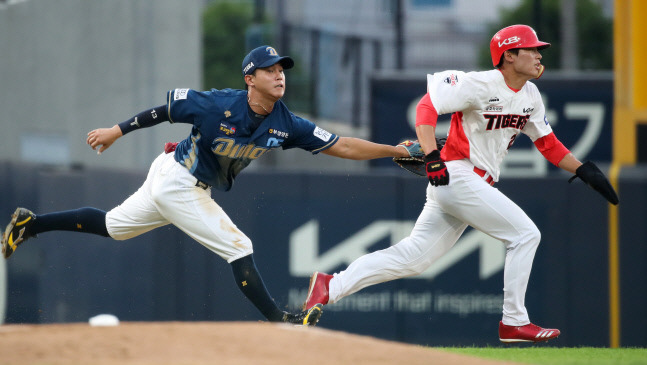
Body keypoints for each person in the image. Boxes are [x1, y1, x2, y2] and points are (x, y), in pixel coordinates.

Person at [1, 45, 413, 326]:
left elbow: (341, 146)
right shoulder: (217, 103)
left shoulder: (287, 123)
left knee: (112, 227)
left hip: (182, 180)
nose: (279, 75)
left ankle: (30, 224)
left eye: (281, 70)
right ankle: (282, 321)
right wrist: (116, 130)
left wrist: (391, 150)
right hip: (177, 178)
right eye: (269, 70)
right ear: (250, 78)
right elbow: (165, 109)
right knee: (240, 247)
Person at [302, 25, 619, 342]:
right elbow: (428, 106)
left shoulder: (531, 95)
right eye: (532, 49)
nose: (539, 55)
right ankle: (513, 321)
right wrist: (431, 155)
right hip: (456, 174)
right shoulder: (479, 84)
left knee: (414, 258)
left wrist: (585, 170)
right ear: (509, 54)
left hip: (471, 184)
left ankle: (330, 286)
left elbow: (547, 143)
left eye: (539, 50)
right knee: (525, 235)